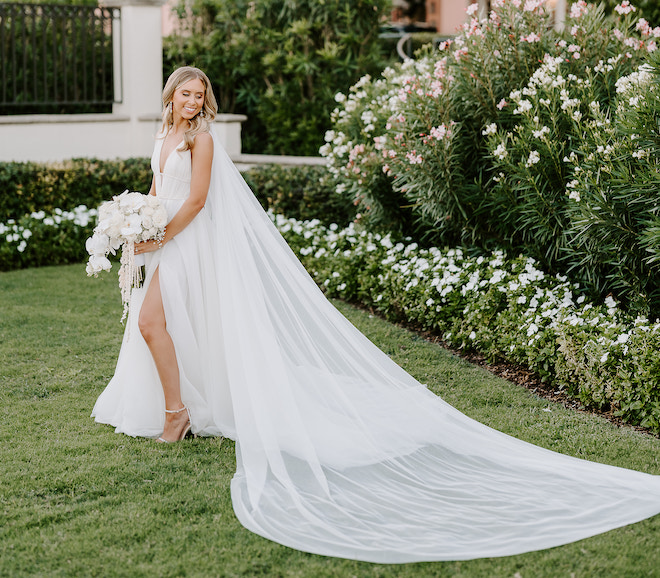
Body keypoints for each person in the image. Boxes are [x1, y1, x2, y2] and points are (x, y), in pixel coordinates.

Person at [93, 66, 660, 563]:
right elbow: (158, 188)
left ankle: (177, 413)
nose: (194, 102)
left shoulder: (205, 141)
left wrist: (160, 233)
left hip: (189, 242)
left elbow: (194, 201)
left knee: (150, 323)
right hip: (163, 240)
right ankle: (181, 403)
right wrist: (137, 221)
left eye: (201, 95)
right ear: (171, 96)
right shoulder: (164, 134)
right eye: (187, 94)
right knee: (165, 326)